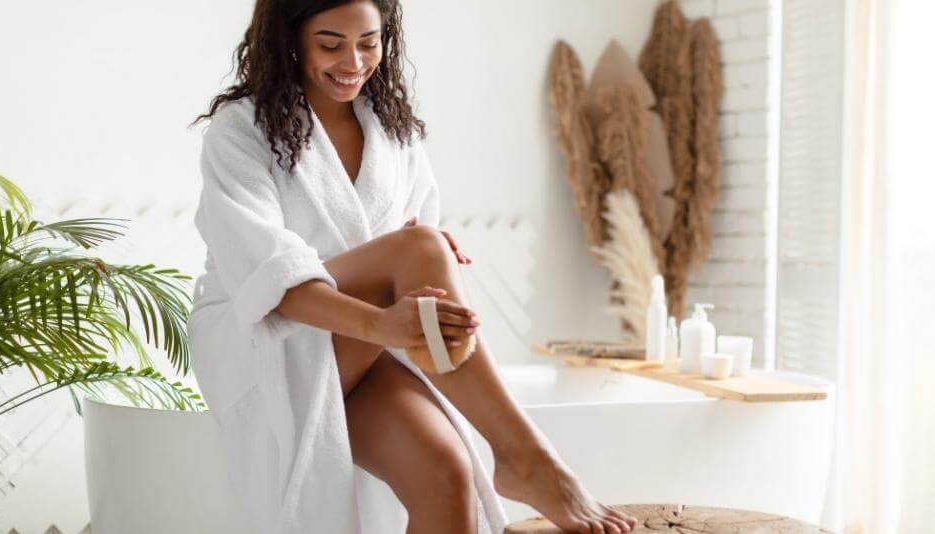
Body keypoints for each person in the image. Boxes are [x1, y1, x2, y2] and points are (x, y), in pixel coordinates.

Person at [188, 0, 637, 533]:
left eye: (369, 42)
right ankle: (531, 459)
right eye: (330, 44)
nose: (352, 61)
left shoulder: (393, 133)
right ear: (290, 37)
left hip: (359, 349)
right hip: (264, 339)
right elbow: (266, 274)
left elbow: (410, 237)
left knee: (446, 473)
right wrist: (395, 293)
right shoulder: (241, 131)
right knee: (422, 248)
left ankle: (521, 461)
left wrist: (416, 261)